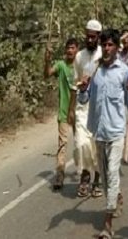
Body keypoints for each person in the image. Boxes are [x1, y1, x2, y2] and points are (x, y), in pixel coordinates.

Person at [78, 28, 128, 239]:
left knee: (112, 173)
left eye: (110, 45)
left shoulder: (124, 71)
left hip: (116, 132)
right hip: (99, 131)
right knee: (104, 177)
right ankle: (116, 197)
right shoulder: (94, 71)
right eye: (104, 45)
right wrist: (83, 89)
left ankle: (107, 224)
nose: (106, 48)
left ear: (116, 47)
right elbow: (84, 101)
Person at [72, 19, 103, 198]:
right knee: (81, 144)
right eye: (88, 37)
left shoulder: (103, 54)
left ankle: (97, 180)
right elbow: (75, 81)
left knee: (96, 146)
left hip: (99, 107)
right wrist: (81, 83)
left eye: (93, 37)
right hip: (83, 107)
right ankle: (84, 177)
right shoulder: (79, 56)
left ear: (98, 36)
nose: (90, 40)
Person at [44, 37, 79, 191]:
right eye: (68, 48)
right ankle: (59, 173)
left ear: (77, 50)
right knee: (62, 144)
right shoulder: (61, 65)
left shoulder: (82, 67)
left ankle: (84, 172)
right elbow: (47, 74)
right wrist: (47, 60)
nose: (70, 50)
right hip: (64, 111)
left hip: (80, 113)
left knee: (81, 144)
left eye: (73, 48)